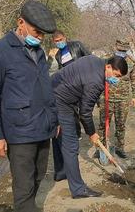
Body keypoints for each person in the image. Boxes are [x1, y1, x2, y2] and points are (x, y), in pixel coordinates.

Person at [0, 0, 58, 212]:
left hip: (43, 128)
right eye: (36, 32)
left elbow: (45, 89)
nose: (40, 37)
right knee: (23, 187)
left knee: (38, 176)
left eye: (43, 34)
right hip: (19, 132)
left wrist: (54, 120)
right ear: (20, 22)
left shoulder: (40, 53)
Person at [51, 55, 128, 198]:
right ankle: (79, 190)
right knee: (71, 144)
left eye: (119, 78)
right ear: (109, 67)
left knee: (59, 136)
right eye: (116, 75)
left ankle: (61, 172)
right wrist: (92, 133)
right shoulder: (96, 81)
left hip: (55, 91)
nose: (116, 80)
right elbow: (85, 113)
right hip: (61, 100)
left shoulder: (94, 60)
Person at [51, 30, 91, 182]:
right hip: (70, 88)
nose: (59, 42)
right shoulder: (58, 55)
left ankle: (83, 131)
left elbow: (88, 58)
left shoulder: (77, 46)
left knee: (84, 110)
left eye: (61, 39)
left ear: (65, 38)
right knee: (72, 113)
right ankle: (76, 133)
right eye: (56, 41)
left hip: (82, 83)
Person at [97, 39, 135, 159]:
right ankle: (101, 148)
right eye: (120, 49)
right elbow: (99, 76)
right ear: (116, 46)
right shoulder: (107, 59)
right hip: (106, 97)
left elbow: (134, 79)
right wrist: (98, 97)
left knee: (121, 124)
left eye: (124, 50)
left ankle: (120, 148)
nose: (121, 51)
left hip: (123, 99)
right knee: (103, 124)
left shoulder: (131, 61)